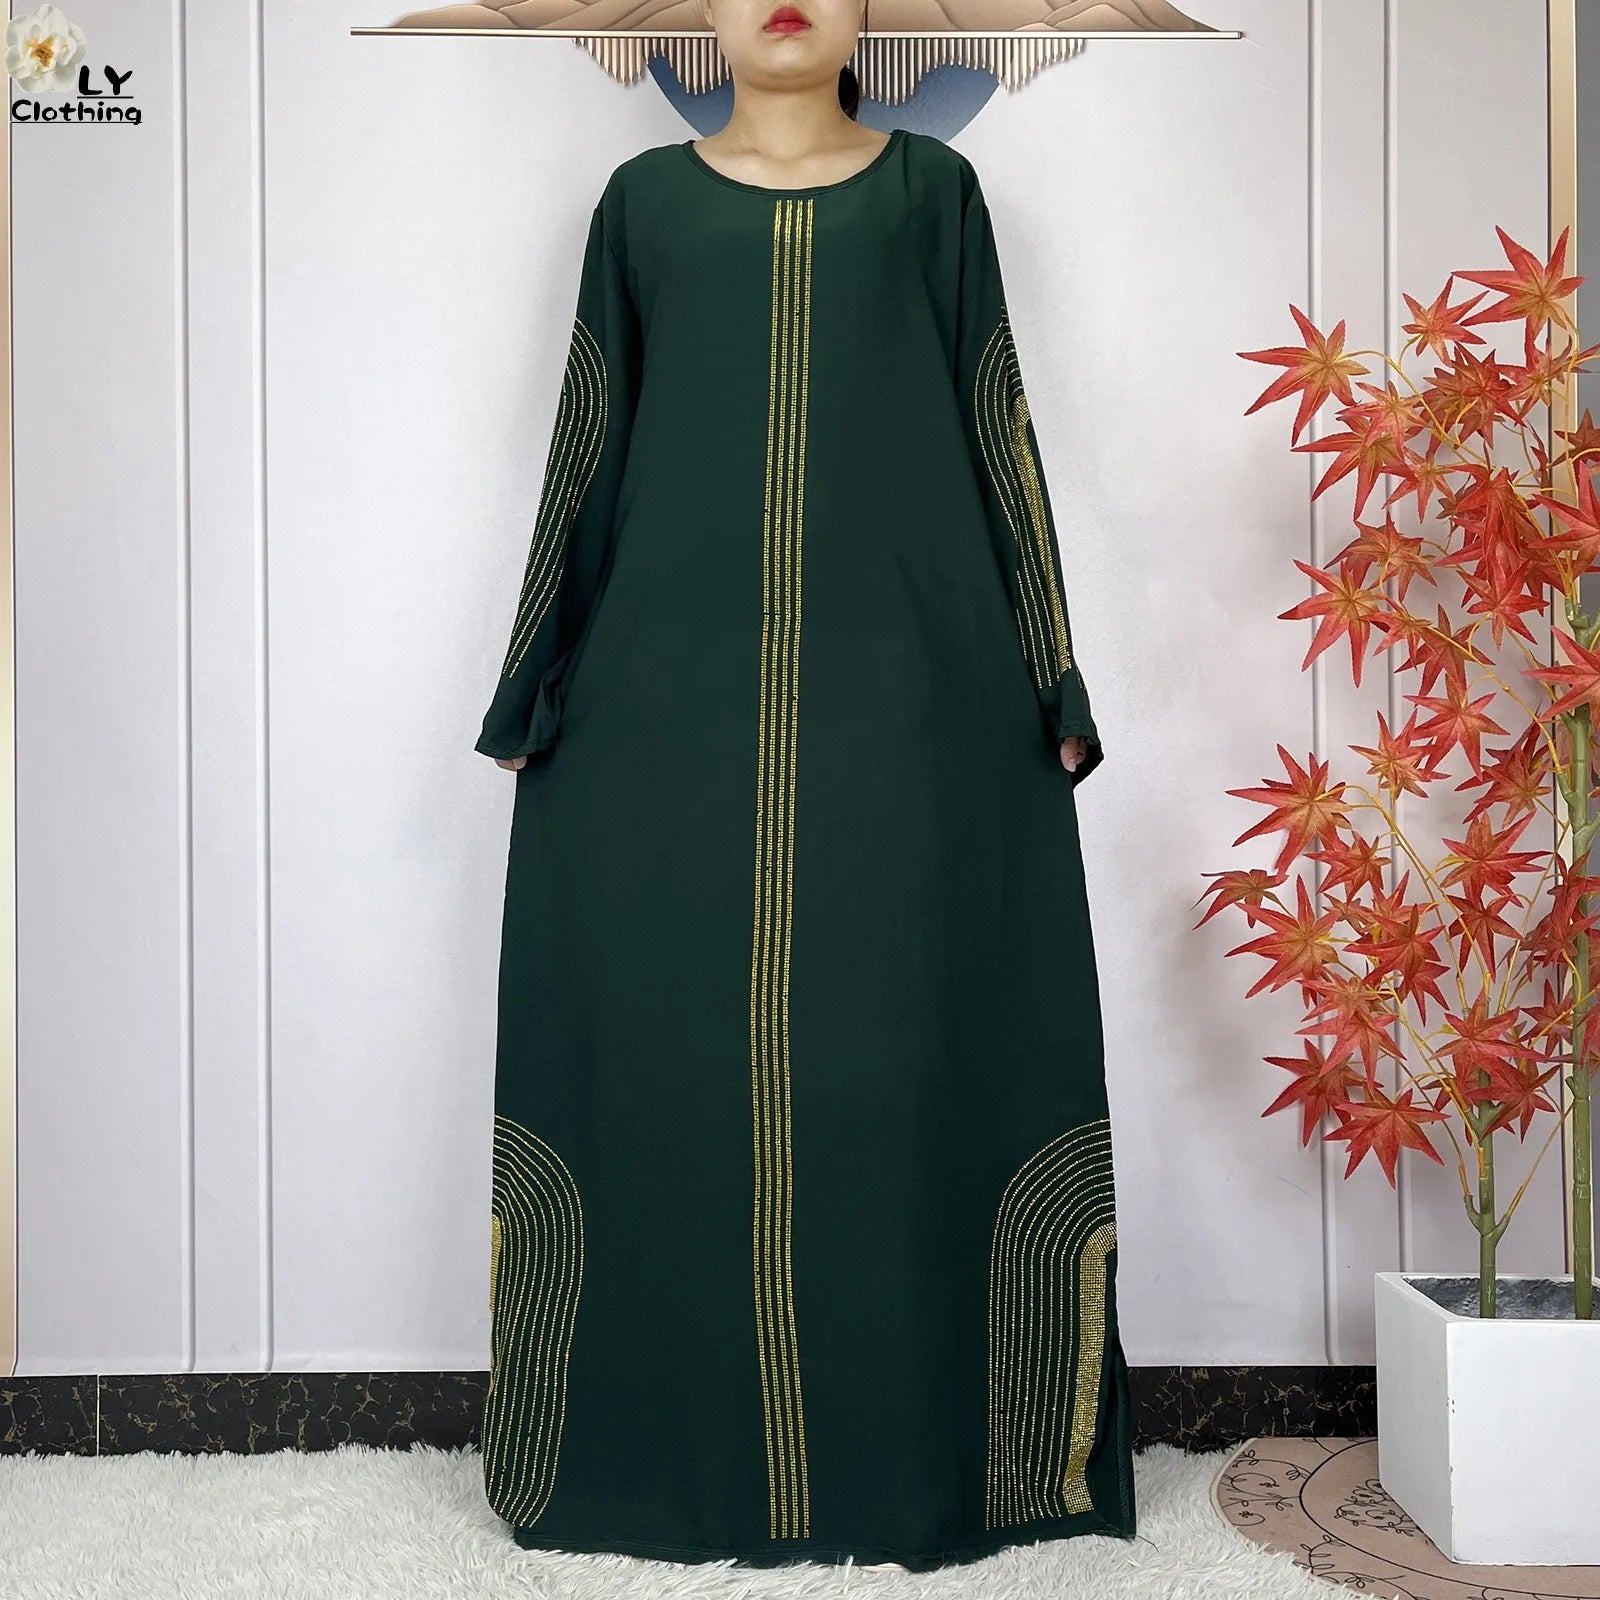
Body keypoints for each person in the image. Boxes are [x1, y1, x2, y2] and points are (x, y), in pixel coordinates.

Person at [473, 0, 1134, 1570]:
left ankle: (930, 1465)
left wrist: (1053, 673)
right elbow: (588, 439)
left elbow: (996, 426)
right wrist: (533, 675)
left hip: (915, 708)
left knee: (900, 1069)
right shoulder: (641, 207)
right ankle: (658, 1463)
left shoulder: (932, 197)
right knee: (663, 1067)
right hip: (660, 709)